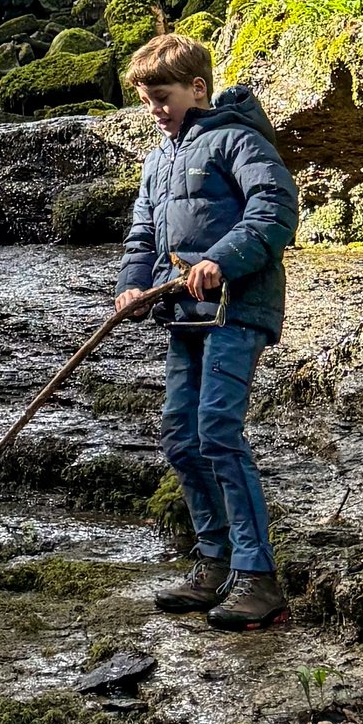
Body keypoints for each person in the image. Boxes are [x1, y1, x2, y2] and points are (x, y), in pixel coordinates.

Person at [112, 31, 300, 631]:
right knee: (179, 435)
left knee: (217, 429)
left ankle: (256, 575)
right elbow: (143, 234)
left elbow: (274, 210)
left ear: (198, 87)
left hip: (236, 309)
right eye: (146, 100)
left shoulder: (240, 141)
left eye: (162, 97)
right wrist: (132, 285)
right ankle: (214, 561)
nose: (155, 110)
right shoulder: (159, 160)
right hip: (184, 316)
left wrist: (221, 258)